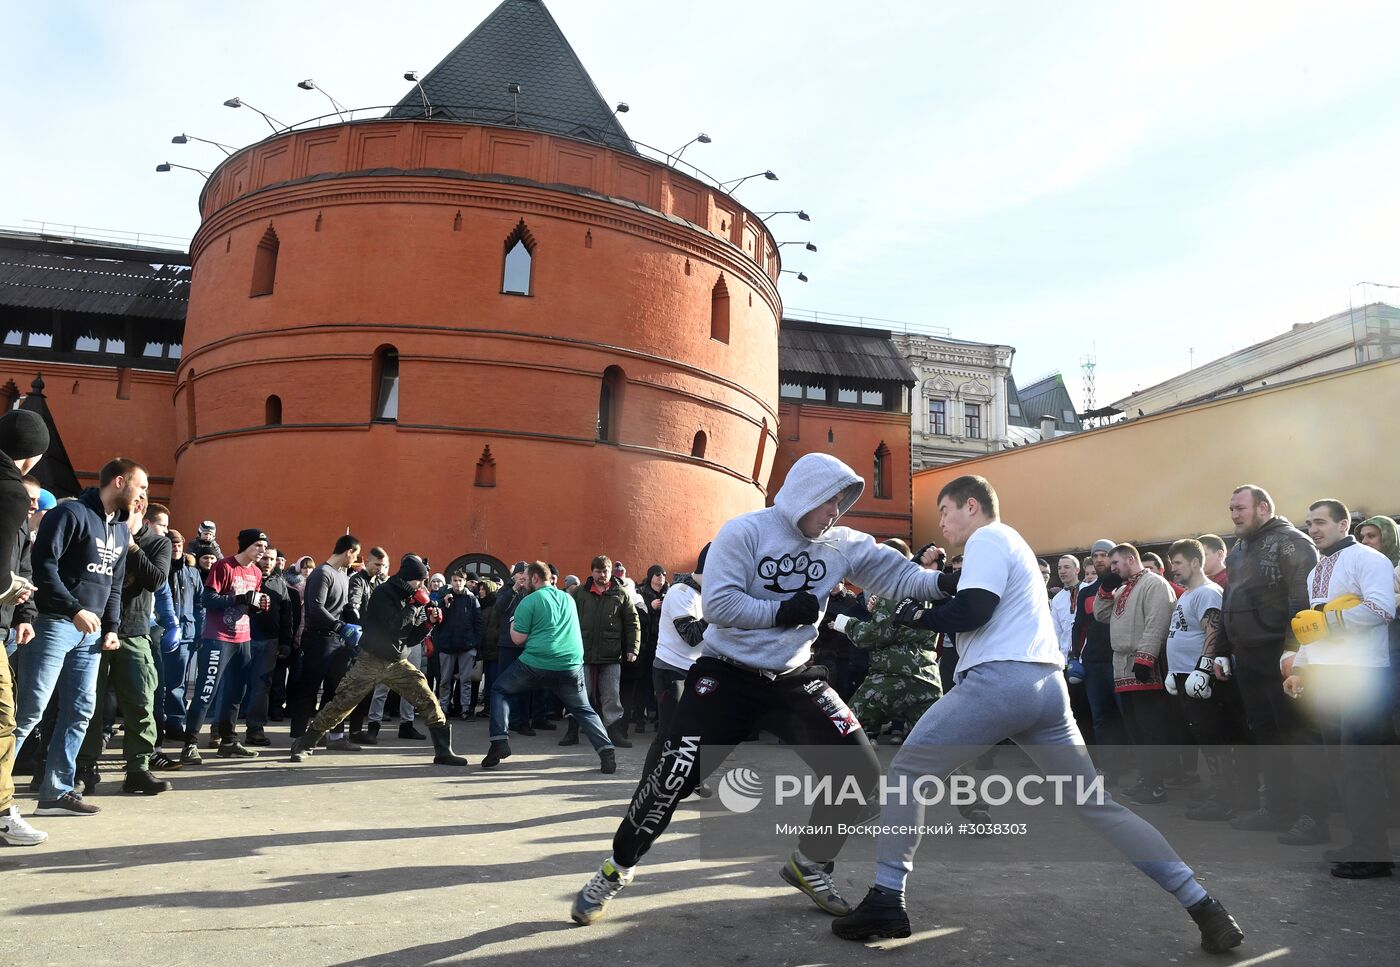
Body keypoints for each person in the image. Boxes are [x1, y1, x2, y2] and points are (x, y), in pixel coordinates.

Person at [831, 475, 1243, 955]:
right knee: (1096, 804)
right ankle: (1203, 904)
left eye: (945, 510)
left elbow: (974, 610)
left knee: (907, 771)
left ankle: (885, 899)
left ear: (971, 506)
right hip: (1045, 690)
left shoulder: (988, 536)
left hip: (1000, 680)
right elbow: (966, 598)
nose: (941, 522)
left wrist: (913, 616)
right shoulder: (1015, 546)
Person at [571, 453, 951, 928]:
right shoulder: (745, 532)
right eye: (827, 503)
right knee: (672, 777)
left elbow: (900, 576)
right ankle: (616, 869)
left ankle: (809, 864)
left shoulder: (842, 543)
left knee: (860, 773)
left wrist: (946, 583)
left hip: (793, 676)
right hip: (726, 674)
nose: (834, 513)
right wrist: (781, 613)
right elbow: (721, 603)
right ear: (802, 495)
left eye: (840, 504)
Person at [12, 457, 144, 816]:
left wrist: (112, 627)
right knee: (29, 711)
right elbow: (43, 566)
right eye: (141, 486)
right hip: (55, 624)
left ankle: (56, 792)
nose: (143, 495)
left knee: (80, 712)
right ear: (119, 482)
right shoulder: (69, 515)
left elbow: (114, 585)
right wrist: (73, 609)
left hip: (92, 634)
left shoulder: (120, 530)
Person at [1283, 499, 1396, 878]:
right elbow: (1309, 627)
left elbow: (1382, 609)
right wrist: (1299, 667)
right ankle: (1359, 844)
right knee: (1342, 765)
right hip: (1328, 678)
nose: (1313, 529)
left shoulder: (1369, 559)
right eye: (1309, 522)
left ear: (1343, 523)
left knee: (1361, 766)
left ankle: (1374, 852)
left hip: (1363, 675)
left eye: (1320, 522)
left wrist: (1330, 623)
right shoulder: (1317, 571)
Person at [1220, 484, 1325, 843]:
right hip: (1246, 655)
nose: (1234, 515)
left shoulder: (1292, 542)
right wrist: (1220, 649)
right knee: (1266, 735)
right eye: (1231, 509)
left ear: (1263, 507)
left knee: (1298, 735)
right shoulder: (1237, 549)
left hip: (1280, 655)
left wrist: (1293, 650)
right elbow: (1229, 599)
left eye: (1240, 508)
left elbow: (1303, 599)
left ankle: (1314, 817)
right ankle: (1278, 809)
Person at [288, 555, 467, 766]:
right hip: (371, 660)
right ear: (408, 577)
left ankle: (443, 751)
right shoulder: (384, 593)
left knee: (427, 699)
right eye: (419, 580)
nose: (422, 585)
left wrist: (428, 624)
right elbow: (393, 625)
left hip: (397, 661)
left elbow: (408, 638)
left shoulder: (412, 597)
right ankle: (305, 743)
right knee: (342, 703)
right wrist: (414, 606)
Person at [74, 494, 174, 795]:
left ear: (139, 508)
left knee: (140, 702)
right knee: (88, 703)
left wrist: (130, 545)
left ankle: (138, 769)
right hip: (92, 629)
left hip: (134, 632)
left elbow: (156, 580)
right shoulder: (100, 531)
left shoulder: (158, 542)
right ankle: (85, 767)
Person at [481, 561, 615, 773]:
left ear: (535, 578)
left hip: (537, 662)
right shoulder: (568, 598)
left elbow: (517, 638)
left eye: (525, 578)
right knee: (583, 709)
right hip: (570, 663)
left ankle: (499, 742)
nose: (523, 583)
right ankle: (607, 752)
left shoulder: (529, 600)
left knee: (500, 689)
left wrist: (513, 621)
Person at [1164, 539, 1255, 822]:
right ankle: (1220, 791)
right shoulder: (1187, 595)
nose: (1173, 569)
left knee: (1214, 737)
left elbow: (1212, 631)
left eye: (1178, 563)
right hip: (1184, 676)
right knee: (1204, 737)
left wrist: (1202, 669)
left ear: (1194, 562)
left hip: (1201, 680)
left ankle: (1226, 799)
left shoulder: (1207, 593)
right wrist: (1173, 670)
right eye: (1171, 564)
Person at [1094, 543, 1177, 805]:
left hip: (1143, 667)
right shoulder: (1124, 588)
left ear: (1131, 559)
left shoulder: (1154, 584)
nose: (1112, 568)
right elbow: (1101, 614)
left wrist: (1146, 657)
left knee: (1149, 728)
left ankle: (1156, 786)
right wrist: (1106, 589)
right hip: (1122, 666)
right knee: (1135, 729)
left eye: (1116, 563)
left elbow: (1157, 620)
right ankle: (1146, 779)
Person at [0, 410, 48, 845]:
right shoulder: (9, 492)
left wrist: (24, 614)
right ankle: (0, 812)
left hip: (5, 625)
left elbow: (22, 565)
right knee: (3, 717)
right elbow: (5, 574)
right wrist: (10, 592)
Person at [181, 529, 269, 764]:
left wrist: (259, 605)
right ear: (246, 546)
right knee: (206, 692)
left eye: (264, 546)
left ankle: (228, 741)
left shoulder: (257, 572)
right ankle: (189, 744)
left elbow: (249, 605)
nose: (262, 550)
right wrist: (237, 599)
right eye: (258, 545)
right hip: (218, 638)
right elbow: (207, 599)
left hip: (243, 638)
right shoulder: (223, 566)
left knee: (235, 693)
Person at [641, 547, 709, 789]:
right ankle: (647, 783)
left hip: (694, 670)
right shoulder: (682, 593)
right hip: (671, 671)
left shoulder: (703, 594)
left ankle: (692, 779)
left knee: (697, 729)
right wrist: (717, 612)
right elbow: (690, 635)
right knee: (669, 732)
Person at [289, 535, 360, 748]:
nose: (355, 559)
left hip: (339, 643)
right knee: (308, 689)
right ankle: (298, 738)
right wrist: (340, 626)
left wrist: (356, 623)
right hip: (318, 640)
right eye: (355, 554)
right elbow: (316, 608)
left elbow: (344, 607)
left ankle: (336, 737)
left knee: (336, 690)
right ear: (349, 551)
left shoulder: (342, 576)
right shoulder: (322, 573)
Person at [566, 556, 640, 749]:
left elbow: (633, 623)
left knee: (611, 696)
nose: (602, 575)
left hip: (611, 654)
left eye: (605, 571)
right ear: (592, 572)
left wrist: (633, 648)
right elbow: (567, 619)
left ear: (610, 572)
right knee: (578, 693)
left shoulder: (621, 593)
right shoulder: (579, 593)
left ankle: (614, 732)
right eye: (598, 571)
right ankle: (572, 731)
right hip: (582, 652)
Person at [433, 570, 483, 726]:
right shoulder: (444, 598)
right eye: (454, 580)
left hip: (466, 646)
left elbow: (479, 623)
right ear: (451, 581)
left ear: (464, 581)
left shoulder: (471, 599)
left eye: (460, 580)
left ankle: (465, 709)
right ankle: (443, 708)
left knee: (466, 680)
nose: (457, 583)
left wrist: (474, 643)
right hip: (447, 645)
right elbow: (435, 620)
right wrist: (444, 604)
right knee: (445, 680)